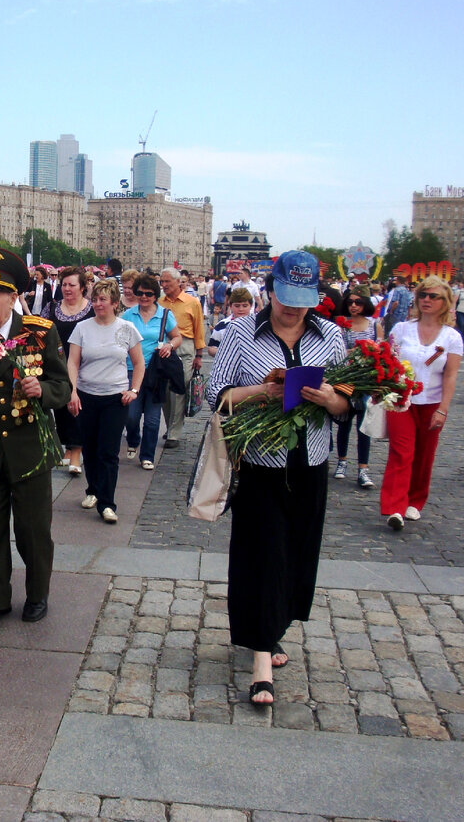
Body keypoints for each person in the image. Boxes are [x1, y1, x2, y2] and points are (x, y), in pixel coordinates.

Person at [205, 249, 350, 706]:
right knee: (263, 554)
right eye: (286, 295)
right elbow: (217, 395)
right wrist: (262, 392)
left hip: (310, 463)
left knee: (296, 555)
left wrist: (330, 400)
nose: (292, 307)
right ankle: (261, 660)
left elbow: (348, 403)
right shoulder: (242, 333)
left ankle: (273, 627)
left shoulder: (331, 336)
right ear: (271, 289)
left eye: (303, 298)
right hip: (261, 467)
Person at [0, 248, 72, 626]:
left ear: (12, 296)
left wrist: (44, 391)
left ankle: (37, 595)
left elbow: (63, 386)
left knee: (33, 532)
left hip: (29, 449)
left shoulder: (39, 332)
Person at [379, 275, 462, 530]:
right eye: (423, 295)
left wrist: (443, 409)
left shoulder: (452, 337)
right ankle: (394, 507)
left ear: (445, 302)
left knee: (424, 454)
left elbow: (450, 376)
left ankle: (416, 500)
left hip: (432, 401)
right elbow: (388, 361)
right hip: (401, 400)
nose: (426, 300)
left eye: (433, 296)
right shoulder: (402, 329)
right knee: (401, 452)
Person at [66, 278, 144, 522]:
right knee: (89, 447)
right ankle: (93, 490)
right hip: (87, 395)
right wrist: (73, 391)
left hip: (115, 397)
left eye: (103, 300)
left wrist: (134, 389)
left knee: (109, 451)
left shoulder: (126, 328)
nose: (98, 304)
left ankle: (108, 503)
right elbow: (73, 362)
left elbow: (139, 363)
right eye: (95, 299)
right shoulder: (82, 327)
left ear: (115, 303)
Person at [121, 274, 182, 471]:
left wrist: (170, 346)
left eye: (148, 294)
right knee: (131, 415)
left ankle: (147, 455)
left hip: (156, 372)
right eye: (140, 293)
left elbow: (177, 336)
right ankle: (133, 438)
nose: (144, 297)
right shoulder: (128, 315)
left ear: (155, 295)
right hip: (132, 370)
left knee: (153, 419)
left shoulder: (165, 314)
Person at [41, 266, 93, 473]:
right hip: (57, 367)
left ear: (82, 287)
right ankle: (68, 448)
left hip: (85, 367)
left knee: (78, 409)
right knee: (61, 408)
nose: (67, 289)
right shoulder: (52, 308)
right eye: (64, 285)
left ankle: (77, 452)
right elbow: (41, 333)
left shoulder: (90, 309)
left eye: (72, 285)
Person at [334, 293, 379, 489]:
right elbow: (338, 352)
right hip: (346, 379)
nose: (353, 306)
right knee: (344, 422)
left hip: (366, 380)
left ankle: (363, 468)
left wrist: (370, 350)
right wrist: (360, 350)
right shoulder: (342, 325)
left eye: (358, 302)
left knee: (364, 425)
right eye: (350, 302)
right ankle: (341, 461)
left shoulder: (374, 324)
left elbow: (380, 348)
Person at [158, 267, 206, 447]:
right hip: (164, 345)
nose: (163, 285)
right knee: (164, 389)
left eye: (167, 282)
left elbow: (199, 329)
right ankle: (171, 424)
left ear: (178, 282)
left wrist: (199, 355)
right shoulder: (159, 302)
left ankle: (174, 433)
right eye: (161, 282)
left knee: (178, 388)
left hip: (185, 346)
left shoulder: (192, 302)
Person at [208, 287, 254, 356]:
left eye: (245, 306)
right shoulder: (222, 325)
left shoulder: (256, 325)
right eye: (237, 306)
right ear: (230, 306)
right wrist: (227, 353)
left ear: (251, 306)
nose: (241, 309)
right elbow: (211, 348)